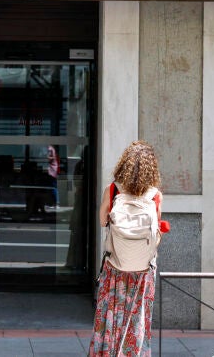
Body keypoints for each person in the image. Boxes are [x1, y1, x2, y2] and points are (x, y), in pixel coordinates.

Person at [88, 140, 166, 357]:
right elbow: (157, 233)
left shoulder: (113, 190)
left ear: (125, 164)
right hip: (143, 270)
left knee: (110, 314)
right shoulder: (155, 195)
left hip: (115, 265)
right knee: (137, 318)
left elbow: (102, 221)